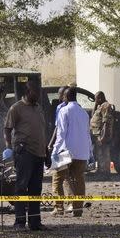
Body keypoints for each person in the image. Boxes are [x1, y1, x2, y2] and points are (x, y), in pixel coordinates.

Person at [3, 80, 49, 231]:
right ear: (27, 93)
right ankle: (19, 222)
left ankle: (35, 222)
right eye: (35, 93)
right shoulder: (16, 108)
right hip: (24, 152)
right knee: (22, 187)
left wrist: (47, 152)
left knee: (36, 189)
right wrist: (9, 147)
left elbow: (41, 131)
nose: (38, 95)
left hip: (39, 153)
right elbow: (7, 129)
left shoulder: (38, 108)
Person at [52, 87, 92, 217]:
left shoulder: (64, 111)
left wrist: (54, 151)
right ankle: (77, 210)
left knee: (57, 179)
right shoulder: (84, 113)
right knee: (78, 180)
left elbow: (61, 134)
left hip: (66, 151)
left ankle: (59, 208)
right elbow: (87, 134)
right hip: (82, 152)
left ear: (66, 97)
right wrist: (90, 152)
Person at [48, 86, 70, 216]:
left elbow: (58, 130)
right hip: (73, 148)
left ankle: (59, 207)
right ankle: (72, 205)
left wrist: (51, 145)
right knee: (68, 178)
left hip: (61, 148)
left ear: (63, 95)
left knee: (56, 179)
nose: (59, 96)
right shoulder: (78, 109)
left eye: (60, 94)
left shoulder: (61, 108)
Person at [90, 91, 114, 178]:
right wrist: (96, 104)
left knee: (104, 153)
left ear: (100, 98)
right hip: (97, 133)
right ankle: (100, 169)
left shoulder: (106, 106)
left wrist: (103, 136)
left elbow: (106, 122)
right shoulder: (100, 106)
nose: (95, 101)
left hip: (102, 133)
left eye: (96, 99)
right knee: (99, 153)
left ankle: (106, 172)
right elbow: (93, 115)